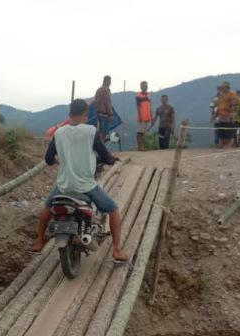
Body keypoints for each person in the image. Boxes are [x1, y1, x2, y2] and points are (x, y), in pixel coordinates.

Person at [32, 98, 129, 262]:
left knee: (47, 207)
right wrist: (112, 160)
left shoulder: (59, 133)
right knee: (113, 209)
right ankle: (117, 250)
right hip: (86, 186)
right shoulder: (91, 131)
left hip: (64, 186)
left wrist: (59, 160)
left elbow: (48, 159)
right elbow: (105, 156)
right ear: (86, 114)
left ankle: (39, 241)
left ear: (70, 114)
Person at [214, 82, 238, 149]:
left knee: (229, 131)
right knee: (220, 130)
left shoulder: (232, 95)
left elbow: (233, 105)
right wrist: (215, 116)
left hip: (229, 115)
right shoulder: (221, 95)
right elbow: (218, 106)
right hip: (221, 115)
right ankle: (221, 143)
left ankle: (229, 145)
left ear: (227, 88)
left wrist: (232, 115)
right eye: (222, 87)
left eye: (224, 87)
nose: (222, 89)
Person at [94, 75, 113, 143]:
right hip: (105, 114)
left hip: (98, 114)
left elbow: (96, 101)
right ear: (108, 81)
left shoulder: (98, 90)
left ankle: (100, 147)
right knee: (104, 133)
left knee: (99, 132)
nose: (110, 83)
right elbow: (107, 102)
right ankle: (102, 147)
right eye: (110, 81)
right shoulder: (107, 90)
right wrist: (110, 113)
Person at [135, 81, 152, 150]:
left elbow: (150, 106)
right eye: (144, 86)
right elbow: (138, 107)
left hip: (147, 116)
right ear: (141, 87)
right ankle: (140, 147)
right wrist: (140, 116)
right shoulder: (138, 96)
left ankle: (142, 146)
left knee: (143, 132)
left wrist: (151, 116)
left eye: (146, 85)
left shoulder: (148, 95)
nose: (145, 87)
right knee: (139, 132)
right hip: (141, 116)